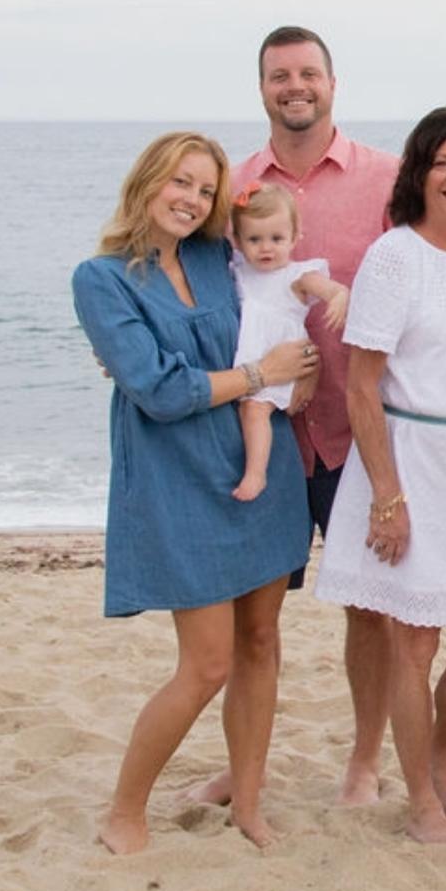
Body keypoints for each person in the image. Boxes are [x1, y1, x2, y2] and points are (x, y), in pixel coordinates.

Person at [71, 131, 319, 854]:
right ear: (147, 180)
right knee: (206, 662)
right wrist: (257, 373)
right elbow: (158, 389)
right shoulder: (101, 278)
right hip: (177, 478)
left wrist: (298, 369)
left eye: (205, 189)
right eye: (179, 182)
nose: (190, 198)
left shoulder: (220, 259)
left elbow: (284, 308)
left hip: (259, 471)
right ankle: (125, 810)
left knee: (262, 642)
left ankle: (247, 800)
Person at [191, 26, 401, 809]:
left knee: (371, 609)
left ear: (333, 82)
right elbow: (193, 292)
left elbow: (419, 280)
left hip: (357, 427)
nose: (295, 86)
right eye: (280, 75)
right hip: (263, 432)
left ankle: (366, 761)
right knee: (253, 616)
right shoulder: (229, 185)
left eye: (308, 72)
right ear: (262, 88)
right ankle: (243, 768)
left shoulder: (387, 178)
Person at [314, 106, 446, 844]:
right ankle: (422, 802)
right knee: (414, 642)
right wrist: (387, 498)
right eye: (444, 163)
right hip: (406, 462)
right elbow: (361, 385)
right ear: (419, 173)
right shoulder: (394, 255)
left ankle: (435, 761)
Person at [227, 182, 350, 501]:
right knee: (247, 411)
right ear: (237, 242)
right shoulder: (239, 271)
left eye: (277, 239)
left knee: (255, 410)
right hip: (252, 360)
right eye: (255, 239)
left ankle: (256, 474)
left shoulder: (296, 275)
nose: (266, 248)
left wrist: (338, 296)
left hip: (285, 357)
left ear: (295, 238)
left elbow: (330, 289)